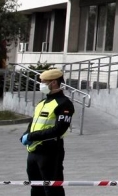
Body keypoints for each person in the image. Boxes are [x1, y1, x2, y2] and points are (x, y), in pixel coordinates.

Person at [20, 68, 74, 196]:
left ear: (54, 82)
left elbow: (59, 129)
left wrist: (32, 136)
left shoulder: (64, 104)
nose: (41, 85)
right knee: (35, 189)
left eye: (44, 82)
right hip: (33, 151)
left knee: (52, 190)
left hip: (51, 151)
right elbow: (33, 123)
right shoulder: (42, 102)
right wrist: (25, 134)